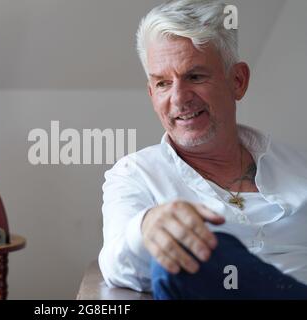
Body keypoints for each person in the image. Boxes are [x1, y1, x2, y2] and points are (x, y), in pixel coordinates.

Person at [99, 0, 307, 299]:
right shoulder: (135, 174)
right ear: (151, 93)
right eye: (162, 84)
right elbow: (116, 265)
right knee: (190, 253)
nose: (179, 99)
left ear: (238, 81)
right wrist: (146, 228)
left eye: (195, 77)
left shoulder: (299, 167)